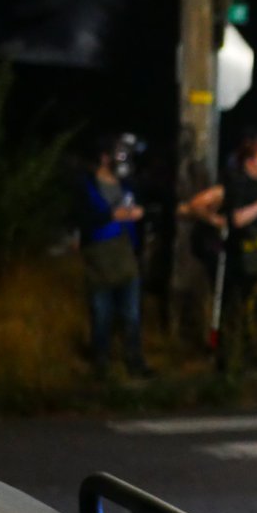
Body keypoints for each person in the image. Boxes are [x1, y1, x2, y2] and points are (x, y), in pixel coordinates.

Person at [75, 134, 154, 381]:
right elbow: (83, 220)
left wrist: (141, 215)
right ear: (104, 158)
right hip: (99, 257)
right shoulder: (87, 185)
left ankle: (135, 363)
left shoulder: (129, 185)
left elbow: (145, 208)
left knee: (131, 314)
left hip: (127, 256)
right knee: (101, 313)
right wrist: (113, 215)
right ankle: (101, 367)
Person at [215, 133, 257, 375]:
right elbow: (239, 219)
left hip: (255, 262)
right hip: (241, 260)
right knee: (237, 311)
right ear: (249, 161)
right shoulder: (240, 185)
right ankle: (231, 362)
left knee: (250, 311)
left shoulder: (256, 184)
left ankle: (247, 357)